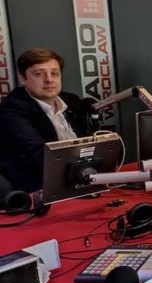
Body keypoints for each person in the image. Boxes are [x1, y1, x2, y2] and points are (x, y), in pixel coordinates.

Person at [0, 48, 88, 192]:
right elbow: (41, 155)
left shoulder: (71, 100)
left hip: (83, 177)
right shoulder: (11, 109)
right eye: (39, 74)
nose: (49, 80)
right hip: (41, 187)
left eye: (54, 73)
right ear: (22, 78)